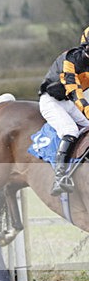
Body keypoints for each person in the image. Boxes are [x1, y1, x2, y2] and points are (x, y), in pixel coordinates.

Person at [39, 25, 89, 195]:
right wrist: (88, 109)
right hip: (51, 101)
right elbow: (75, 91)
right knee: (70, 130)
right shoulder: (70, 59)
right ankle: (60, 178)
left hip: (66, 102)